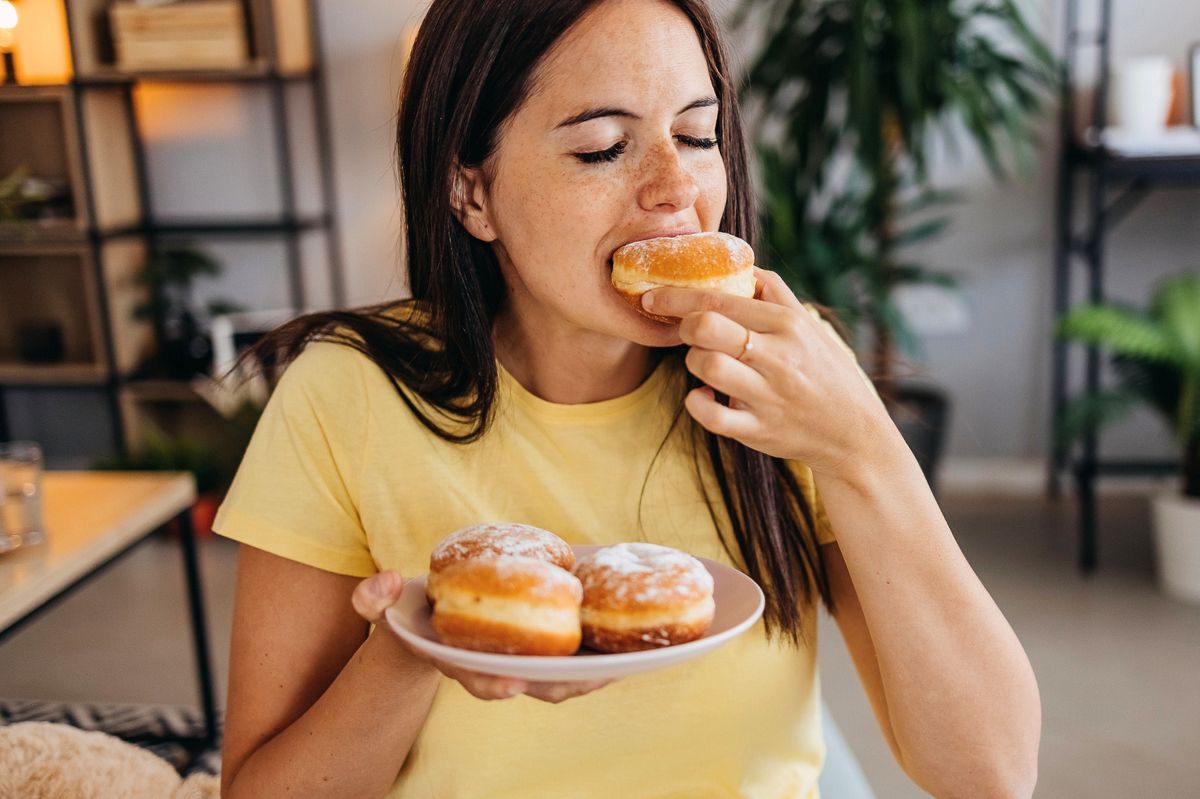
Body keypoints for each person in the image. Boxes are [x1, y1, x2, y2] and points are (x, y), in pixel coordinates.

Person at [213, 1, 1042, 797]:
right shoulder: (346, 393)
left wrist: (861, 445)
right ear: (471, 194)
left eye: (696, 134)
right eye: (605, 147)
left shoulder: (787, 376)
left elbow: (992, 773)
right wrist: (410, 647)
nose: (674, 188)